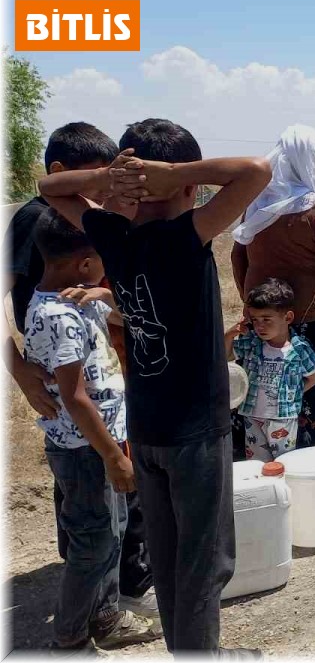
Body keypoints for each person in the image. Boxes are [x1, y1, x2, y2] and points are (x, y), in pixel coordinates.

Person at [39, 117, 271, 656]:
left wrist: (108, 181)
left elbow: (48, 187)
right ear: (184, 186)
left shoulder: (111, 235)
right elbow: (257, 171)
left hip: (146, 432)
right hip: (197, 433)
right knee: (203, 564)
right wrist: (172, 174)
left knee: (166, 559)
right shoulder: (183, 236)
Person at [1, 122, 157, 619]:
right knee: (94, 490)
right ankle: (96, 600)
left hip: (99, 377)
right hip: (70, 386)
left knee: (111, 497)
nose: (104, 193)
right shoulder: (38, 219)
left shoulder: (91, 218)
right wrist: (18, 368)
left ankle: (109, 587)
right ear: (60, 173)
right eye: (95, 181)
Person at [24, 212, 162, 652]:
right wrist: (114, 457)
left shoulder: (78, 299)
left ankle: (105, 615)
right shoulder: (59, 315)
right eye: (103, 261)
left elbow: (129, 314)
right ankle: (69, 638)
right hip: (87, 451)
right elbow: (75, 397)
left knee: (111, 534)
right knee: (92, 544)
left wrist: (104, 292)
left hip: (99, 442)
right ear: (84, 262)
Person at [231, 125, 315, 448]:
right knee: (310, 397)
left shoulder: (257, 203)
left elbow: (237, 256)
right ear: (308, 161)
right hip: (310, 322)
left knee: (264, 396)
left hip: (263, 322)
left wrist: (253, 306)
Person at [225, 279, 315, 462]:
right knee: (256, 463)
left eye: (266, 319)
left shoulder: (299, 348)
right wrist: (230, 335)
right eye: (255, 320)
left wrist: (293, 395)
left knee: (283, 462)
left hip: (283, 417)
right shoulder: (252, 343)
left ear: (288, 318)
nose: (259, 326)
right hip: (253, 415)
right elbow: (226, 355)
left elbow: (313, 378)